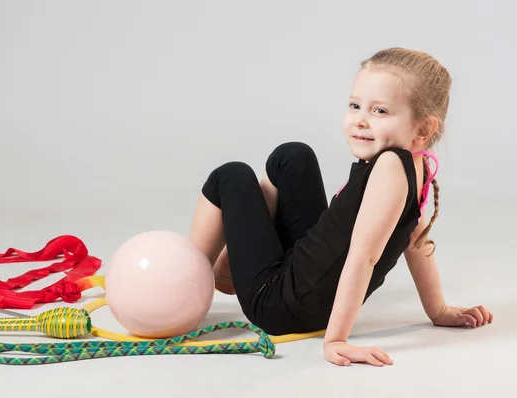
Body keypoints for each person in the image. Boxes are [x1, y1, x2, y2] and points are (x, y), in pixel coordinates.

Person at [187, 47, 493, 367]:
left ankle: (186, 294)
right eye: (355, 106)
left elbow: (365, 256)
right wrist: (438, 310)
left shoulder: (389, 165)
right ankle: (230, 269)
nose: (360, 120)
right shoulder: (417, 167)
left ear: (423, 129)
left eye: (380, 112)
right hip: (302, 285)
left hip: (278, 304)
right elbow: (415, 240)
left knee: (230, 177)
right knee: (293, 157)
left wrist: (335, 340)